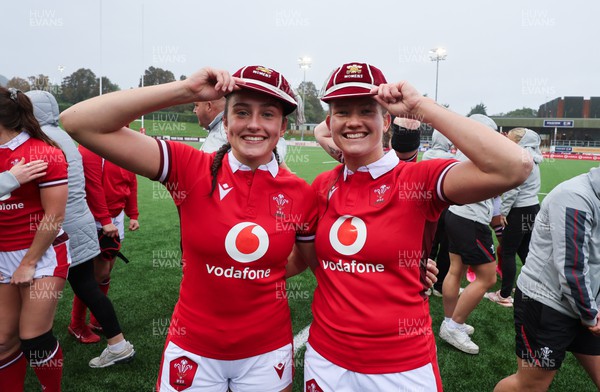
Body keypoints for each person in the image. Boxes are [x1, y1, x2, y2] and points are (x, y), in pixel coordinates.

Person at [61, 65, 318, 391]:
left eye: (267, 114)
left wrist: (255, 270)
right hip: (192, 346)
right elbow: (78, 122)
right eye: (241, 112)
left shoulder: (301, 194)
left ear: (282, 127)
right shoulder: (190, 168)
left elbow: (310, 263)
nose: (253, 124)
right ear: (225, 122)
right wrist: (185, 90)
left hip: (267, 350)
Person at [301, 62, 531, 391]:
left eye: (367, 110)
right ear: (329, 122)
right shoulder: (322, 186)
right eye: (342, 111)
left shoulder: (417, 180)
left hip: (401, 363)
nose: (353, 121)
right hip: (326, 357)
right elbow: (315, 260)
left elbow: (515, 167)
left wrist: (421, 106)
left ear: (387, 120)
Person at [25, 90, 135, 368]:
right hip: (81, 221)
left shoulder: (40, 141)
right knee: (88, 286)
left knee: (32, 288)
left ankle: (27, 348)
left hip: (58, 226)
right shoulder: (63, 138)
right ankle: (117, 343)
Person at [494, 166, 600, 392]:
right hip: (547, 303)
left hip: (587, 305)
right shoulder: (574, 197)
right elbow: (572, 268)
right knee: (530, 385)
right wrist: (590, 315)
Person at [0, 87, 69, 392]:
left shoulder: (43, 152)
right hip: (2, 254)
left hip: (41, 253)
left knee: (34, 338)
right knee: (3, 340)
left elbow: (54, 216)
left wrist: (28, 263)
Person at [440, 114, 503, 355]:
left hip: (456, 215)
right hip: (471, 219)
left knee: (455, 269)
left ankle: (450, 321)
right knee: (487, 278)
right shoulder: (482, 154)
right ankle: (453, 325)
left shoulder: (463, 153)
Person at [77, 143, 140, 337]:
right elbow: (92, 185)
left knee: (106, 271)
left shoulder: (124, 146)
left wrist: (133, 213)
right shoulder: (91, 146)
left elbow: (131, 181)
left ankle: (97, 318)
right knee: (94, 275)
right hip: (95, 218)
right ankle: (77, 324)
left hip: (116, 217)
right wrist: (104, 219)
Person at [485, 127, 542, 306]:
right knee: (525, 251)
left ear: (520, 142)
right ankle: (531, 288)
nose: (507, 142)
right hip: (533, 209)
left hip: (519, 210)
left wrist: (503, 211)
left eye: (510, 139)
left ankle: (504, 295)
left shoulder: (520, 158)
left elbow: (512, 191)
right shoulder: (533, 157)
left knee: (508, 252)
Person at [194, 96, 290, 168]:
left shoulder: (229, 129)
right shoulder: (221, 128)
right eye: (242, 113)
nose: (194, 110)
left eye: (196, 105)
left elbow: (274, 155)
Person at [422, 130, 455, 297]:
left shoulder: (426, 155)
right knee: (445, 245)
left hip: (427, 204)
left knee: (429, 244)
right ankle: (440, 283)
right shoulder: (451, 159)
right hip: (446, 206)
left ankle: (424, 281)